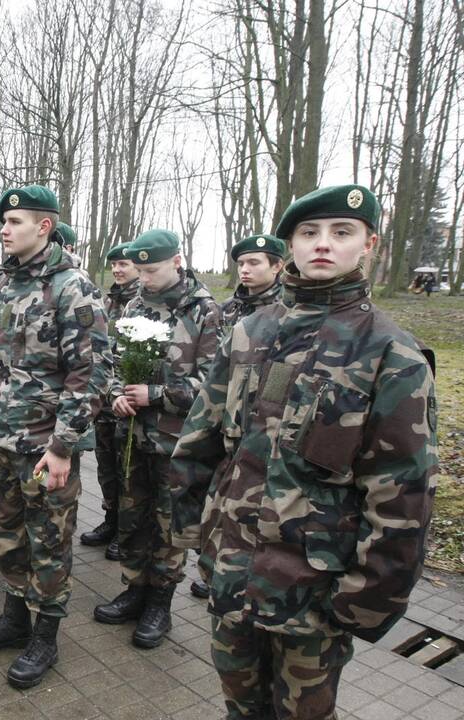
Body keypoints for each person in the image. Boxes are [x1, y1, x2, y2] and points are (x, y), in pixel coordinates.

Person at [170, 184, 438, 719]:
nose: (323, 244)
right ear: (289, 244)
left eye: (342, 233)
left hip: (313, 593)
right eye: (308, 233)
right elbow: (199, 444)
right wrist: (191, 539)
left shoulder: (391, 352)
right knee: (240, 707)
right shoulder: (248, 332)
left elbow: (403, 495)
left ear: (369, 245)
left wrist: (364, 601)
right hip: (231, 569)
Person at [0, 185, 109, 689]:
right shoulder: (5, 283)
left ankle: (45, 635)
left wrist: (63, 447)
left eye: (15, 221)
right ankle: (13, 618)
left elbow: (90, 376)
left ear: (44, 226)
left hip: (45, 445)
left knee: (49, 541)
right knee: (8, 533)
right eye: (3, 221)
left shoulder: (72, 287)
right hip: (3, 438)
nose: (4, 229)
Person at [95, 229, 221, 649]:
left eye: (152, 270)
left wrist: (159, 395)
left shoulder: (204, 311)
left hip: (176, 443)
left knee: (169, 526)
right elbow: (112, 364)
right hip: (131, 435)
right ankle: (134, 589)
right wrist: (115, 395)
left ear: (177, 261)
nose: (144, 278)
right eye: (141, 270)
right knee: (132, 520)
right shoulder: (133, 305)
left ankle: (160, 604)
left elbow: (214, 386)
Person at [80, 242, 139, 560]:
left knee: (125, 470)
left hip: (127, 401)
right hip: (103, 399)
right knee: (105, 466)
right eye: (114, 265)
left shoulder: (142, 302)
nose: (117, 270)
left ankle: (125, 531)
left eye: (124, 264)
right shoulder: (108, 300)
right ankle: (110, 519)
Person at [220, 234, 285, 330]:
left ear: (277, 267)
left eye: (253, 263)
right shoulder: (227, 307)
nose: (244, 270)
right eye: (241, 264)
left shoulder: (290, 308)